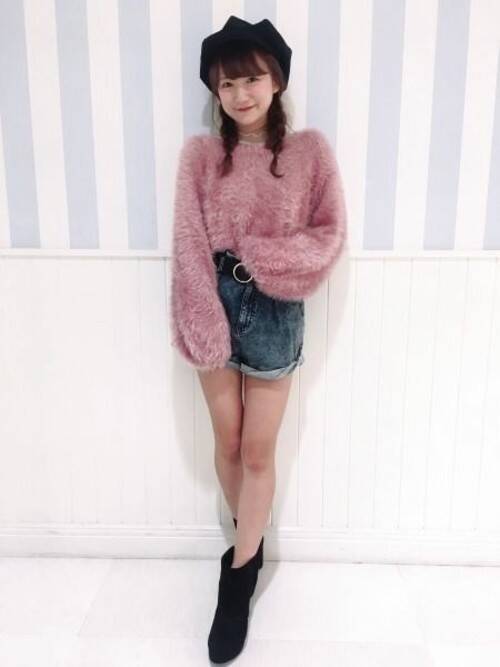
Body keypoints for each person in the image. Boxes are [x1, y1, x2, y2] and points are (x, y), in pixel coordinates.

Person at [169, 15, 347, 664]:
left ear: (276, 81)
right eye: (226, 83)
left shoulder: (309, 153)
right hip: (210, 301)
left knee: (258, 451)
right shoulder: (200, 157)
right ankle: (249, 540)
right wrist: (202, 315)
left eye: (251, 79)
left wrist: (267, 260)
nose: (240, 94)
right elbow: (188, 240)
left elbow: (328, 233)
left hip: (275, 311)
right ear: (215, 92)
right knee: (228, 443)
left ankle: (238, 577)